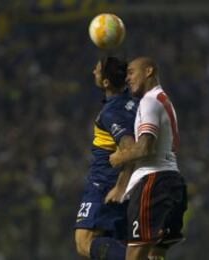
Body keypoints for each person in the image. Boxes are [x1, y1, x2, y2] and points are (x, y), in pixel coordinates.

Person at [109, 57, 188, 260]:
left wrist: (119, 157)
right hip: (173, 182)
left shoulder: (149, 101)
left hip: (153, 183)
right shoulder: (164, 99)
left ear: (149, 71)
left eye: (132, 72)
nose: (127, 78)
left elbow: (145, 148)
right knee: (155, 255)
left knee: (134, 255)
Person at [74, 56, 138, 260]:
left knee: (84, 243)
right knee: (115, 243)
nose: (93, 71)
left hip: (105, 184)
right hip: (130, 184)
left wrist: (120, 186)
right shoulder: (134, 102)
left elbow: (129, 148)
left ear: (106, 82)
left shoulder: (112, 113)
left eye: (97, 70)